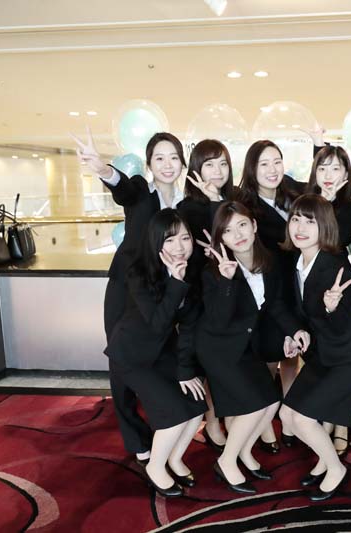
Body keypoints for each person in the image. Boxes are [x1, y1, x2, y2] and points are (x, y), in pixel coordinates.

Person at [73, 127, 186, 466]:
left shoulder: (185, 202)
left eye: (174, 158)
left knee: (161, 353)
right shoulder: (142, 193)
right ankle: (135, 435)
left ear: (182, 163)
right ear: (149, 164)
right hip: (126, 288)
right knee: (121, 361)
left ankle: (166, 421)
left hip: (163, 290)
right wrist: (102, 169)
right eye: (159, 158)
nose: (167, 164)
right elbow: (123, 189)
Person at [198, 201, 310, 493]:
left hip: (246, 346)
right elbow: (219, 321)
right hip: (219, 350)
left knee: (271, 402)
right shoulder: (214, 272)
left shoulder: (269, 261)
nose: (237, 235)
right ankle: (226, 461)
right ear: (220, 238)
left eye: (242, 225)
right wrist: (227, 281)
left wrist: (294, 330)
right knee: (253, 407)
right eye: (227, 231)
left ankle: (245, 452)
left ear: (254, 226)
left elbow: (276, 305)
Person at [278, 194, 351, 501]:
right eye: (296, 219)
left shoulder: (336, 266)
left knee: (303, 418)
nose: (300, 228)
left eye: (310, 221)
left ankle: (335, 469)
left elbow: (343, 324)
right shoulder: (295, 262)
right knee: (287, 415)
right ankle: (324, 459)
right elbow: (285, 307)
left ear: (325, 227)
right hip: (323, 352)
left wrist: (332, 308)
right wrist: (295, 332)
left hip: (350, 354)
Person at [104, 209, 207, 497]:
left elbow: (189, 327)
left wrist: (185, 371)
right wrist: (175, 282)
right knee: (174, 415)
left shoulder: (193, 271)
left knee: (196, 405)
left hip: (162, 352)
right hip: (132, 355)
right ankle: (156, 467)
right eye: (169, 240)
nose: (179, 247)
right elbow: (158, 322)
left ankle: (175, 459)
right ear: (156, 243)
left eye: (185, 238)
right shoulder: (139, 272)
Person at [236, 140, 304, 450]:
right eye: (264, 163)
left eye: (277, 161)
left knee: (291, 358)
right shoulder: (245, 206)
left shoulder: (292, 196)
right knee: (267, 357)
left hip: (297, 285)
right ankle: (264, 426)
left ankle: (289, 418)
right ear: (252, 169)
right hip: (267, 290)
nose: (272, 169)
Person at [178, 138, 237, 449]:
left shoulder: (234, 200)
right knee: (210, 365)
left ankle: (230, 418)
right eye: (209, 164)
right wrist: (213, 200)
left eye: (223, 163)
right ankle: (212, 422)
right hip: (204, 295)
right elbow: (214, 241)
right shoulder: (188, 208)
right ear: (196, 170)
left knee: (229, 362)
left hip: (232, 292)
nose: (217, 171)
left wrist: (217, 199)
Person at [305, 144, 351, 456]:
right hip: (312, 287)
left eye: (336, 168)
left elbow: (332, 242)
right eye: (323, 168)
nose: (328, 175)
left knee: (342, 357)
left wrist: (326, 204)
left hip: (340, 287)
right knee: (320, 355)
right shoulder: (305, 203)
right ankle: (325, 416)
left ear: (346, 174)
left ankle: (340, 425)